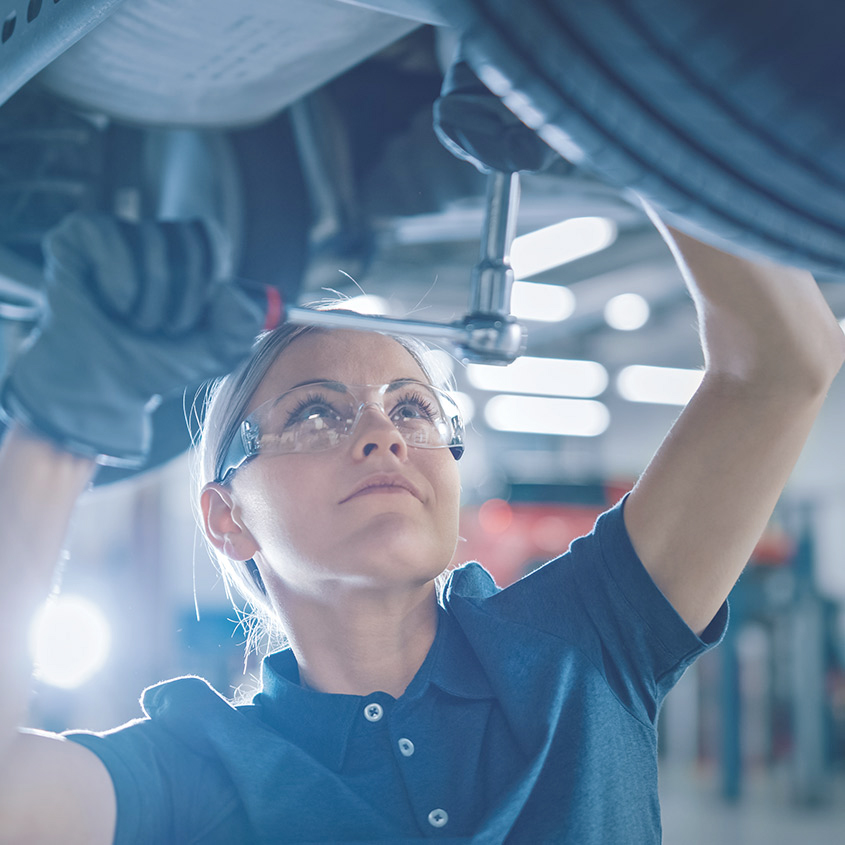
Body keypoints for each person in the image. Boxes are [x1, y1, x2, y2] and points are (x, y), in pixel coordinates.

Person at [0, 206, 842, 845]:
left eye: (411, 407)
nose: (383, 433)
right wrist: (58, 429)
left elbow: (783, 361)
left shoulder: (582, 640)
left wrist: (606, 98)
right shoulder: (196, 769)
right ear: (227, 517)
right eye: (318, 412)